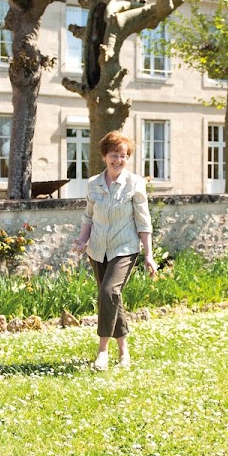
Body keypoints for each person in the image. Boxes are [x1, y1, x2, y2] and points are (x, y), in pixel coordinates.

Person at [72, 130, 158, 371]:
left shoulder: (135, 183)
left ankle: (102, 352)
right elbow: (88, 216)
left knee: (108, 293)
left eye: (123, 155)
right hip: (98, 249)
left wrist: (148, 254)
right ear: (104, 156)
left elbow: (143, 221)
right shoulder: (93, 184)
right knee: (112, 298)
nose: (118, 160)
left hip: (124, 248)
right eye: (114, 155)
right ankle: (124, 353)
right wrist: (81, 241)